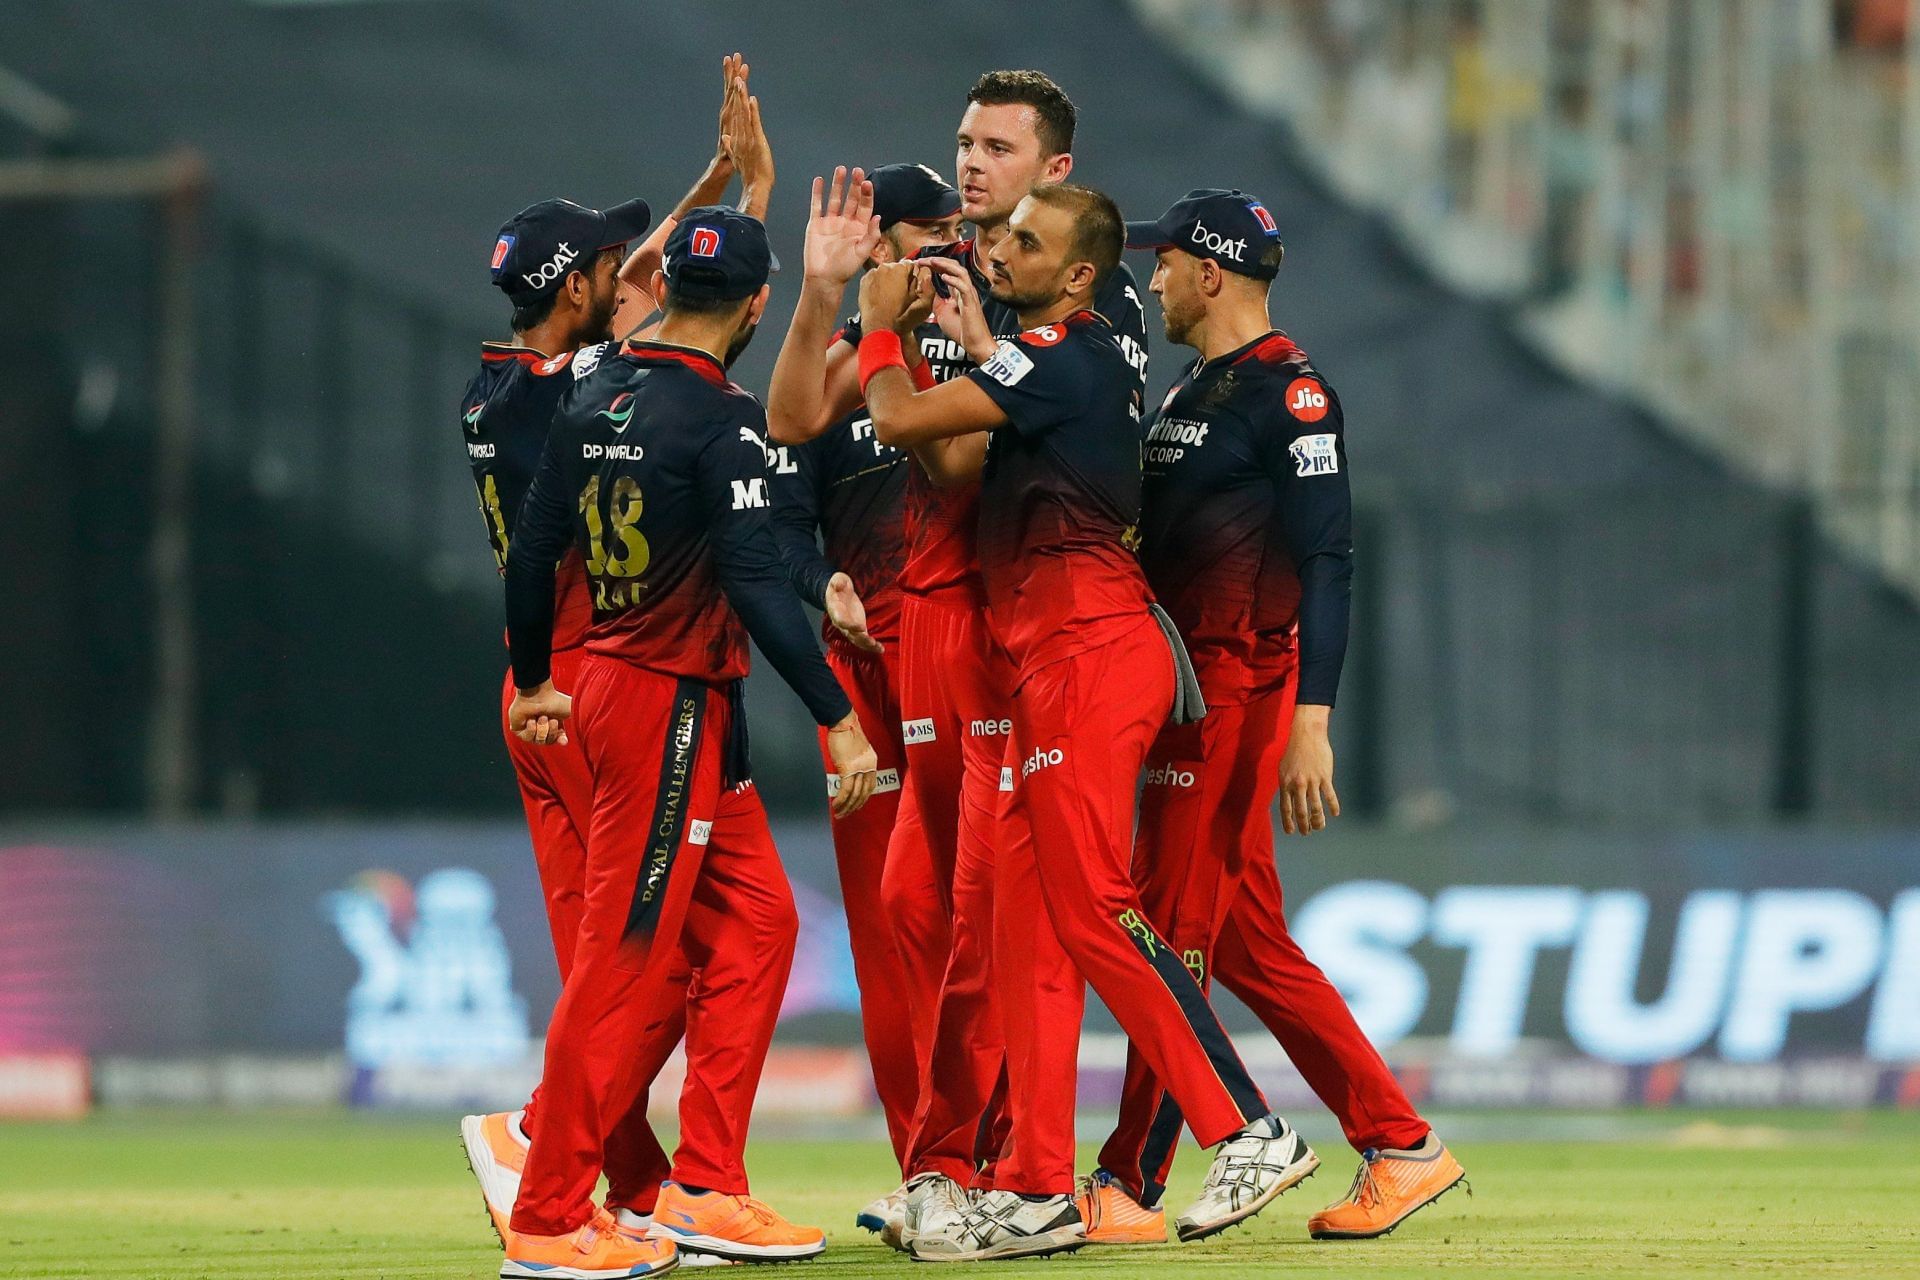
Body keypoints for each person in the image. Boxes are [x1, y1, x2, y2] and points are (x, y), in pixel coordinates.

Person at [858, 183, 1314, 1262]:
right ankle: (1031, 1187)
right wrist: (969, 349)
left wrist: (881, 322)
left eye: (1027, 240)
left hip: (1087, 655)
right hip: (1040, 663)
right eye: (1003, 233)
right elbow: (957, 458)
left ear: (1075, 273)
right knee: (1023, 923)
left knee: (1097, 905)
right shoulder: (1056, 360)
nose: (1000, 250)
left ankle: (1248, 1124)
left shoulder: (1070, 346)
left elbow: (897, 420)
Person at [767, 72, 1153, 1247]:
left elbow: (955, 465)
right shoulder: (947, 291)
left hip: (1022, 631)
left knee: (1005, 909)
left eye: (997, 148)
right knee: (914, 901)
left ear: (1057, 174)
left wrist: (904, 333)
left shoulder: (1087, 305)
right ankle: (949, 1161)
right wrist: (827, 295)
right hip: (928, 628)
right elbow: (791, 421)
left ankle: (1031, 1167)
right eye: (963, 144)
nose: (973, 167)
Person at [499, 205, 878, 1276]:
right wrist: (839, 719)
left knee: (759, 921)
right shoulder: (725, 419)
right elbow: (755, 581)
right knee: (624, 960)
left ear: (667, 289)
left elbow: (534, 550)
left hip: (609, 681)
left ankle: (705, 1182)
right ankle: (548, 1209)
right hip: (666, 700)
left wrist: (533, 675)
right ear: (758, 305)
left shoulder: (594, 391)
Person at [1080, 188, 1465, 1243]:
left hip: (1235, 692)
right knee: (1243, 938)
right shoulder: (1197, 387)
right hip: (1187, 686)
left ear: (1212, 273)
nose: (1150, 276)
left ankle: (1130, 1179)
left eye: (1164, 261)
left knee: (1173, 930)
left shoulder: (1292, 395)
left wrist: (1312, 718)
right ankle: (1403, 1142)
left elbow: (1330, 561)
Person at [455, 55, 780, 1254]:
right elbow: (690, 328)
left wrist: (721, 175)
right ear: (579, 290)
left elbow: (652, 293)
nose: (627, 276)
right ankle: (549, 1157)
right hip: (612, 683)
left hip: (549, 685)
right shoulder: (597, 388)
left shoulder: (504, 386)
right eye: (605, 267)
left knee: (722, 933)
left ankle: (655, 1180)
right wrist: (745, 205)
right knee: (633, 956)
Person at [766, 164, 964, 1197]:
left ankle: (1009, 1160)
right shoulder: (838, 360)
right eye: (929, 229)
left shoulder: (988, 336)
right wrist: (822, 578)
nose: (951, 243)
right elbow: (780, 479)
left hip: (969, 663)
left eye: (956, 226)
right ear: (880, 239)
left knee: (976, 914)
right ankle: (929, 1165)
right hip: (865, 678)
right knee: (891, 933)